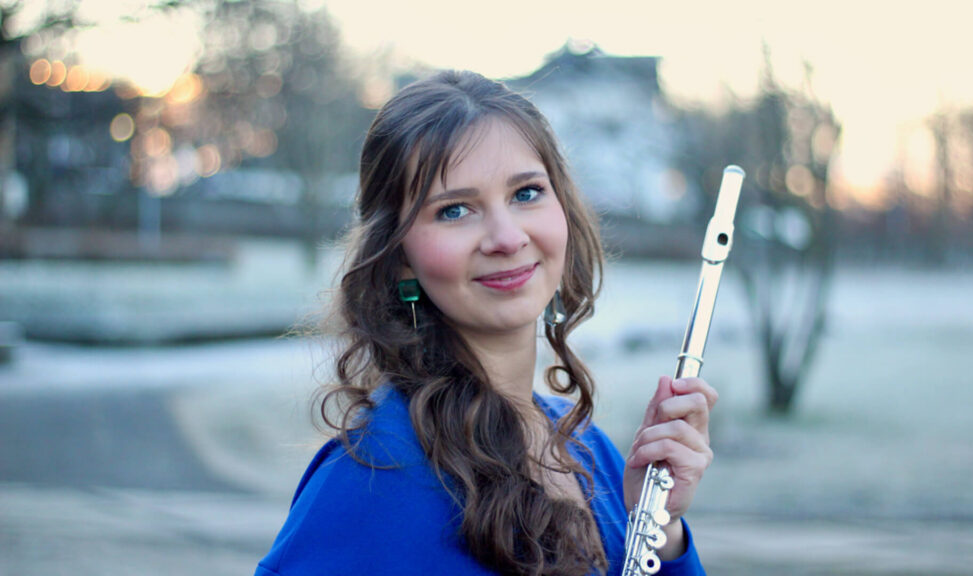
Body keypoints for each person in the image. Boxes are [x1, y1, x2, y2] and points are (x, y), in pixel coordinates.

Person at [255, 70, 716, 576]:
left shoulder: (591, 451)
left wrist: (661, 530)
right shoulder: (372, 473)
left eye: (526, 193)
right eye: (455, 210)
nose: (507, 237)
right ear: (399, 256)